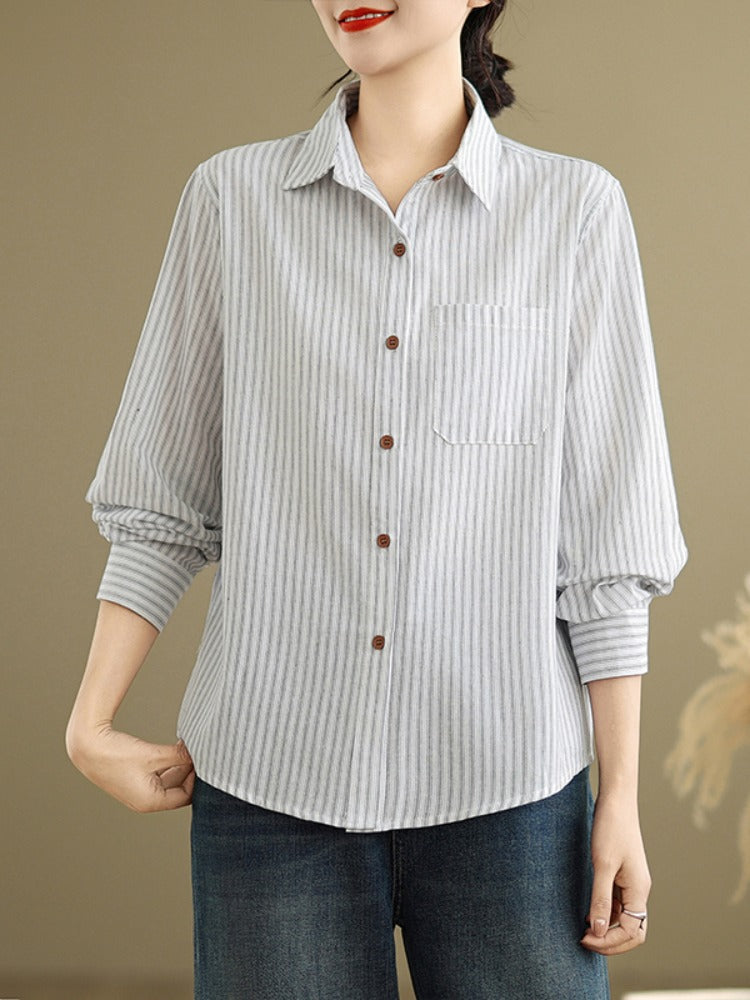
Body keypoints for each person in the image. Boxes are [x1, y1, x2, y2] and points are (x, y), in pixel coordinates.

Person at [65, 1, 689, 997]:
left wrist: (619, 798)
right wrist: (91, 721)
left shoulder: (575, 212)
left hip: (515, 795)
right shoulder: (232, 201)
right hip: (271, 791)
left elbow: (608, 541)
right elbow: (161, 497)